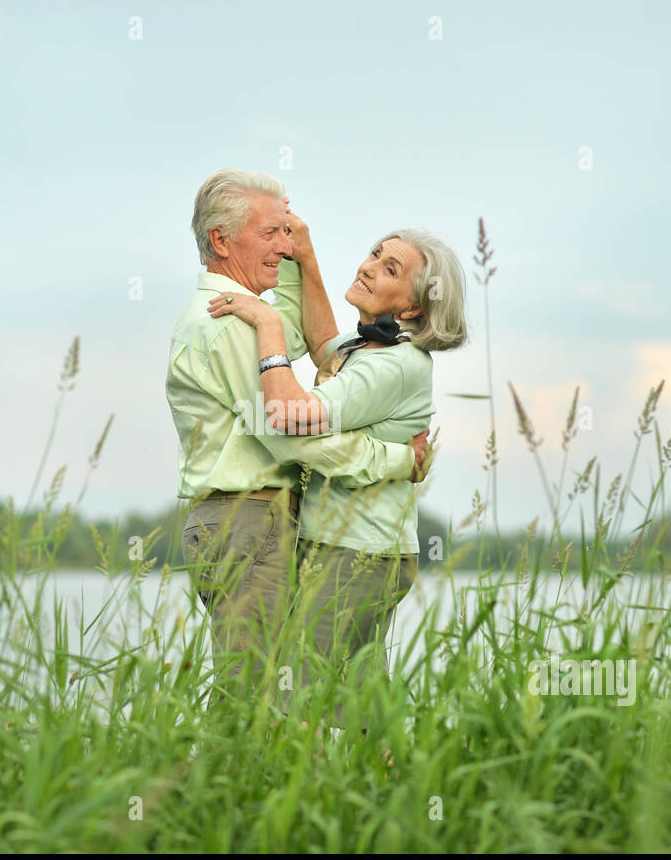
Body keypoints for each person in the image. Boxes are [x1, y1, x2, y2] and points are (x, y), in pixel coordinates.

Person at [166, 169, 431, 723]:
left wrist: (301, 256)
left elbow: (313, 339)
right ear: (221, 241)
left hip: (260, 523)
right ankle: (220, 802)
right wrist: (397, 459)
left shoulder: (247, 312)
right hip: (247, 519)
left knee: (277, 694)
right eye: (271, 235)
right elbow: (291, 436)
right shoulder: (229, 324)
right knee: (256, 699)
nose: (283, 247)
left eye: (286, 234)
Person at [205, 215, 467, 735]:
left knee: (298, 695)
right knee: (362, 704)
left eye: (389, 267)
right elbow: (327, 345)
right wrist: (306, 257)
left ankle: (300, 804)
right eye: (374, 253)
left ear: (412, 306)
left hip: (356, 554)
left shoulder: (393, 366)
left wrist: (269, 324)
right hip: (362, 551)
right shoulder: (370, 349)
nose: (369, 266)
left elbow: (293, 418)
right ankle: (392, 798)